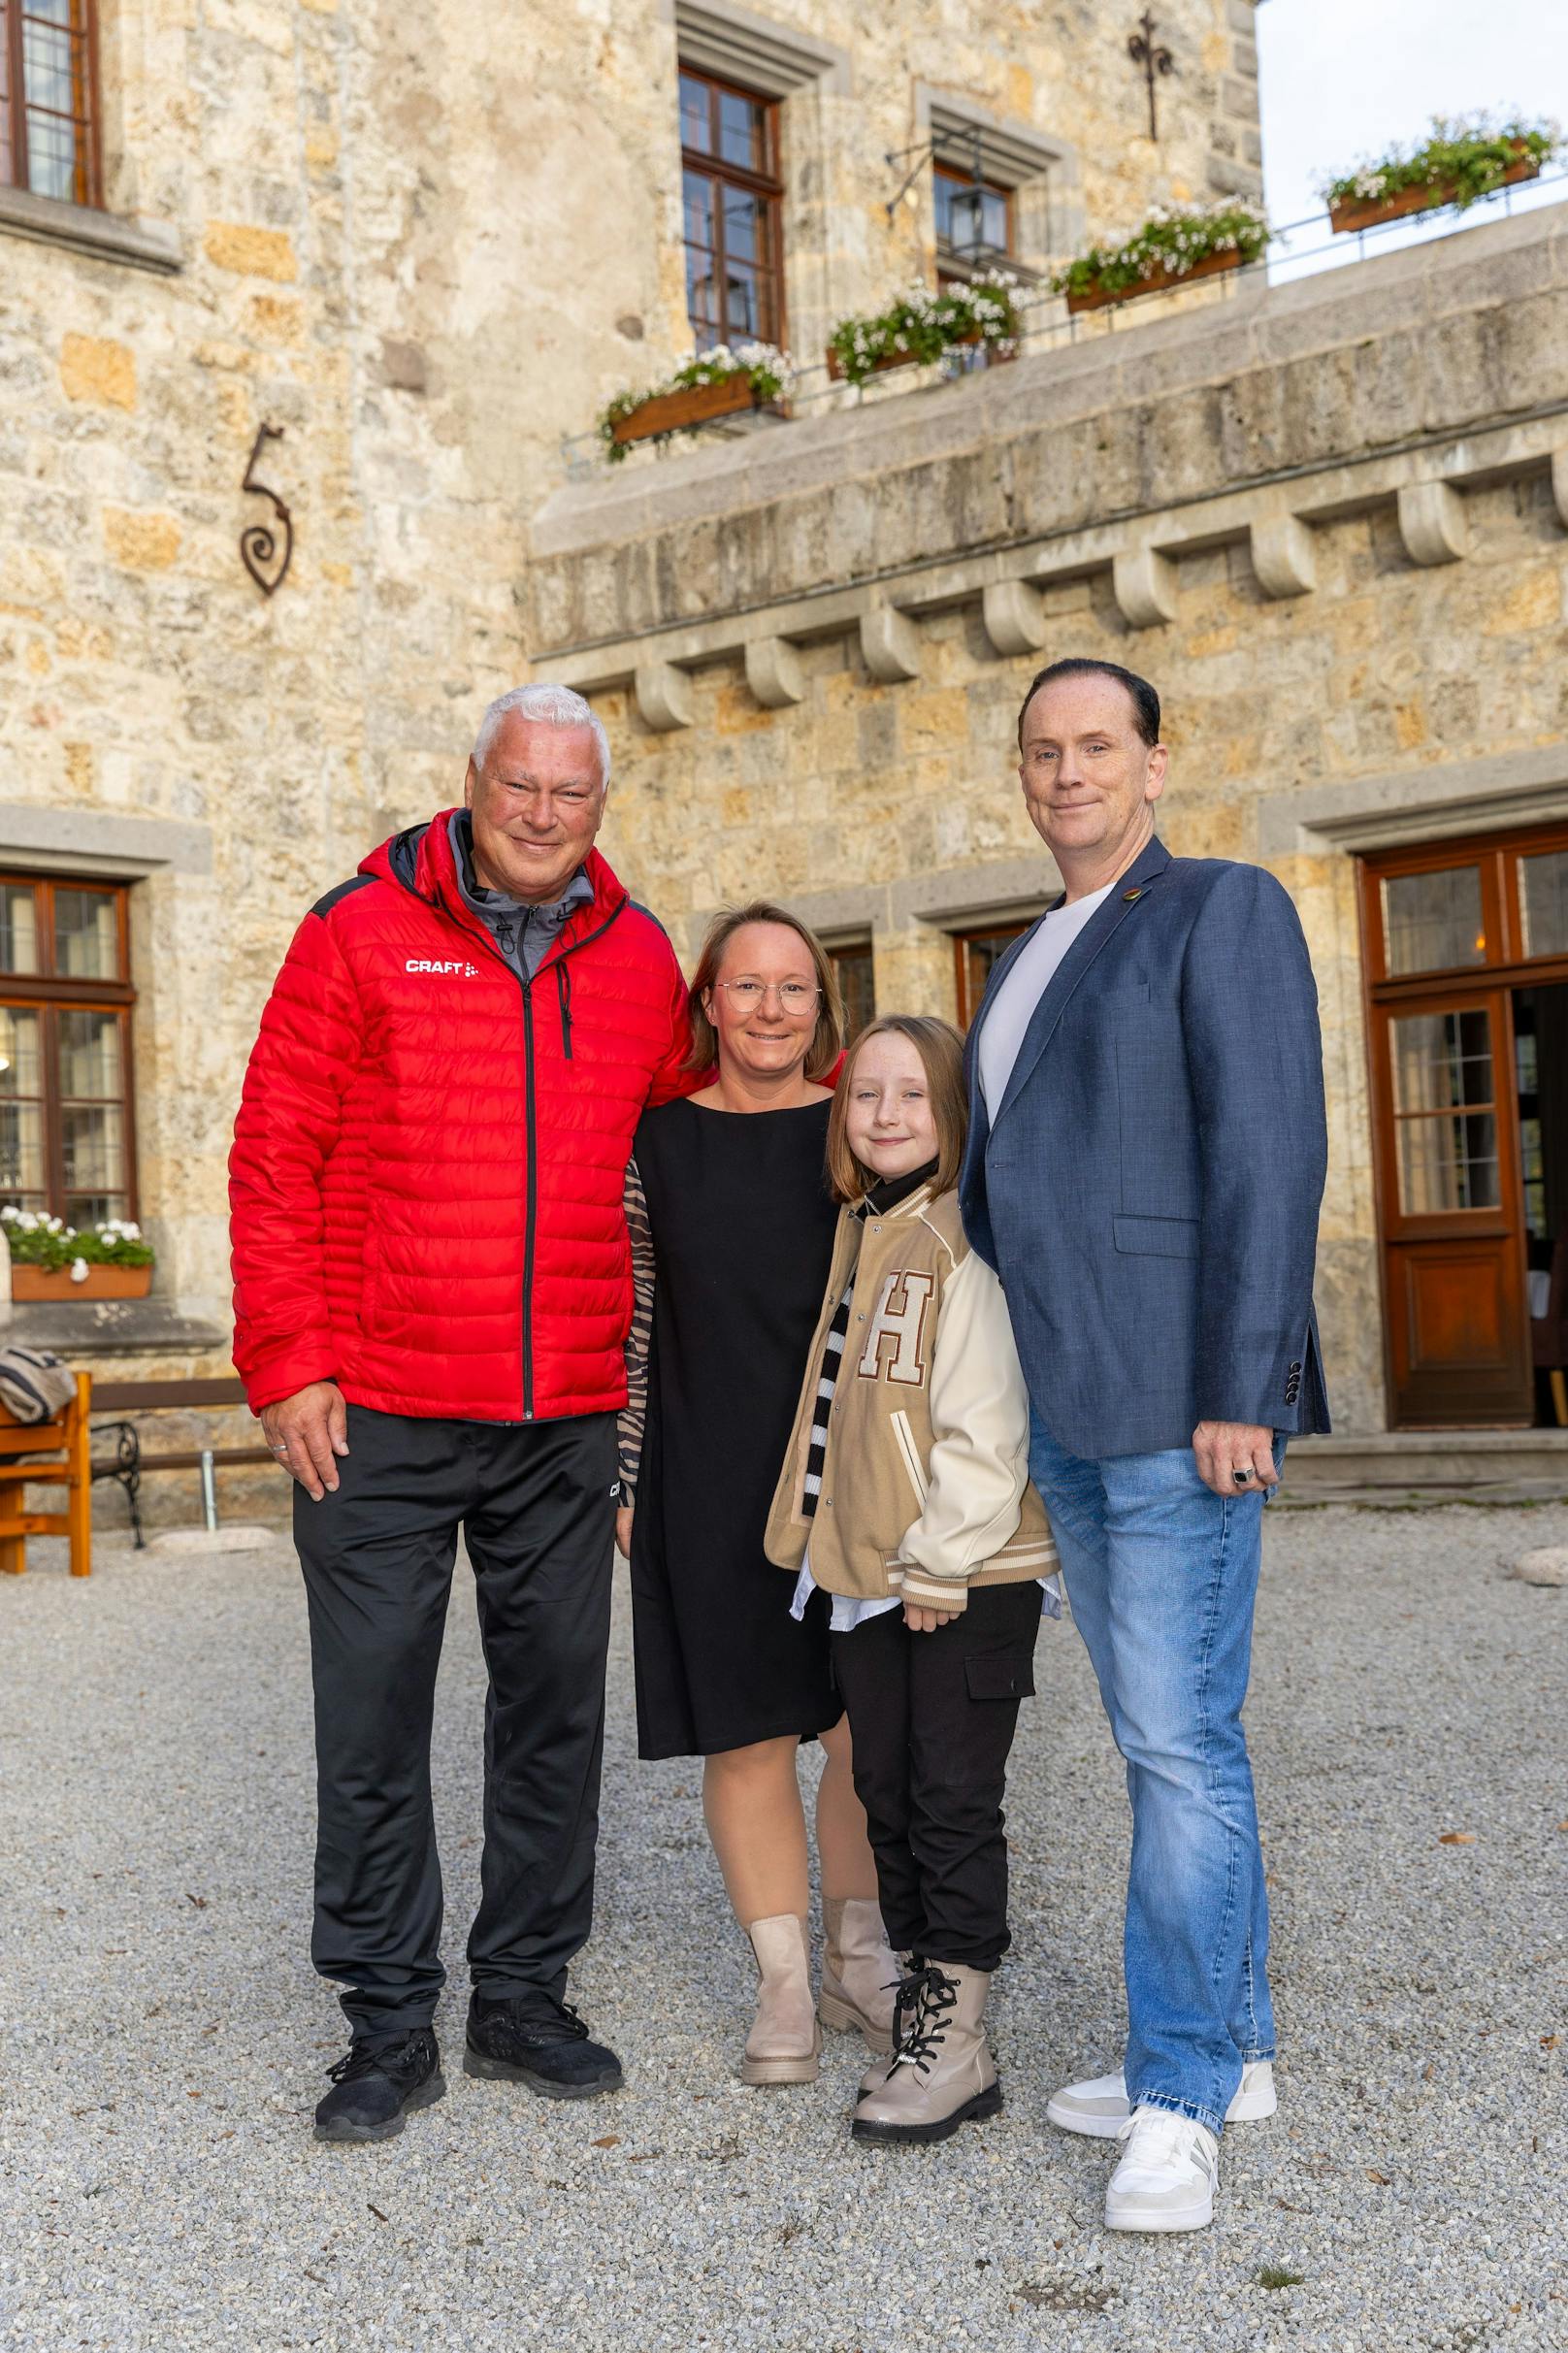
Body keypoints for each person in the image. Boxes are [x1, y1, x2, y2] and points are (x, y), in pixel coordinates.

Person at [229, 682, 693, 2144]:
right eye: (520, 787)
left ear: (599, 806)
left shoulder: (640, 956)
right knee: (371, 1719)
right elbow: (272, 1150)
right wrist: (290, 1361)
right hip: (375, 1409)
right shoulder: (355, 929)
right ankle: (382, 2022)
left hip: (561, 1409)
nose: (544, 815)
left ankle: (522, 1997)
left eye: (572, 793)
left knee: (554, 1713)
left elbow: (690, 1144)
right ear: (473, 784)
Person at [960, 656, 1328, 2233]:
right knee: (1161, 1743)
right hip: (1068, 1414)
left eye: (1095, 745)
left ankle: (1175, 2097)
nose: (1066, 773)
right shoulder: (1029, 948)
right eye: (1042, 751)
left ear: (1154, 764)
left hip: (1185, 1410)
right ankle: (1228, 2047)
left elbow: (1268, 1147)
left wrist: (1244, 1383)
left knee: (1179, 1747)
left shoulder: (1218, 910)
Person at [616, 903, 898, 2086]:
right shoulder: (655, 1142)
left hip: (843, 1474)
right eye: (746, 987)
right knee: (743, 1733)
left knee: (854, 1725)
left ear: (819, 1008)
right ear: (708, 1002)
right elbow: (628, 1317)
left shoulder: (862, 1134)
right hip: (705, 1463)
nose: (769, 1010)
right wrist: (625, 1476)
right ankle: (781, 1978)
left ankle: (860, 1952)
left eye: (793, 989)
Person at [765, 1015, 1060, 2144]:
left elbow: (987, 1425)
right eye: (864, 1096)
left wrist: (939, 1559)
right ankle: (922, 2003)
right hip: (867, 1574)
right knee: (884, 1787)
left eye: (911, 1098)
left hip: (958, 1575)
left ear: (951, 1115)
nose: (884, 1115)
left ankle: (958, 2039)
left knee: (946, 1800)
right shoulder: (864, 1225)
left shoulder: (956, 1238)